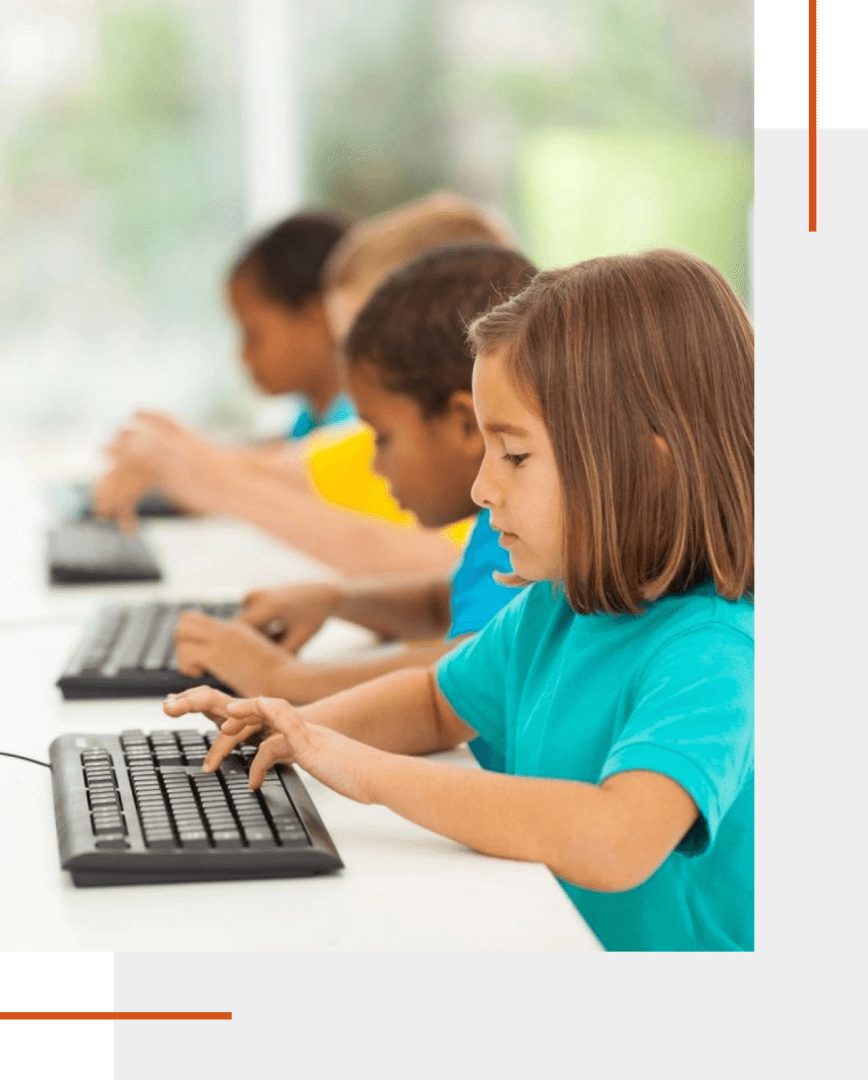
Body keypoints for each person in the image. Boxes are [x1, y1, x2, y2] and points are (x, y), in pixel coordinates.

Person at [165, 248, 754, 952]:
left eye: (515, 456)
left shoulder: (713, 655)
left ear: (647, 468)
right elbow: (433, 702)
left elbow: (617, 837)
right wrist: (296, 732)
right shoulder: (556, 607)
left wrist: (367, 773)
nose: (482, 488)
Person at [172, 243, 537, 771]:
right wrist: (337, 599)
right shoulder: (497, 527)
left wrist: (286, 684)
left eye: (383, 437)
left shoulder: (523, 526)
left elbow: (463, 669)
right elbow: (451, 602)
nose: (374, 464)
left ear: (464, 424)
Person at [94, 192, 517, 576]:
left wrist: (206, 477)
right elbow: (267, 467)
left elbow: (438, 571)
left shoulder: (509, 491)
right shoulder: (369, 442)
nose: (352, 373)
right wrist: (172, 456)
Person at [93, 209, 356, 532]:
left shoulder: (359, 420)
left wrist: (188, 461)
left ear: (320, 321)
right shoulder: (315, 416)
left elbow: (309, 479)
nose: (242, 357)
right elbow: (283, 458)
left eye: (252, 333)